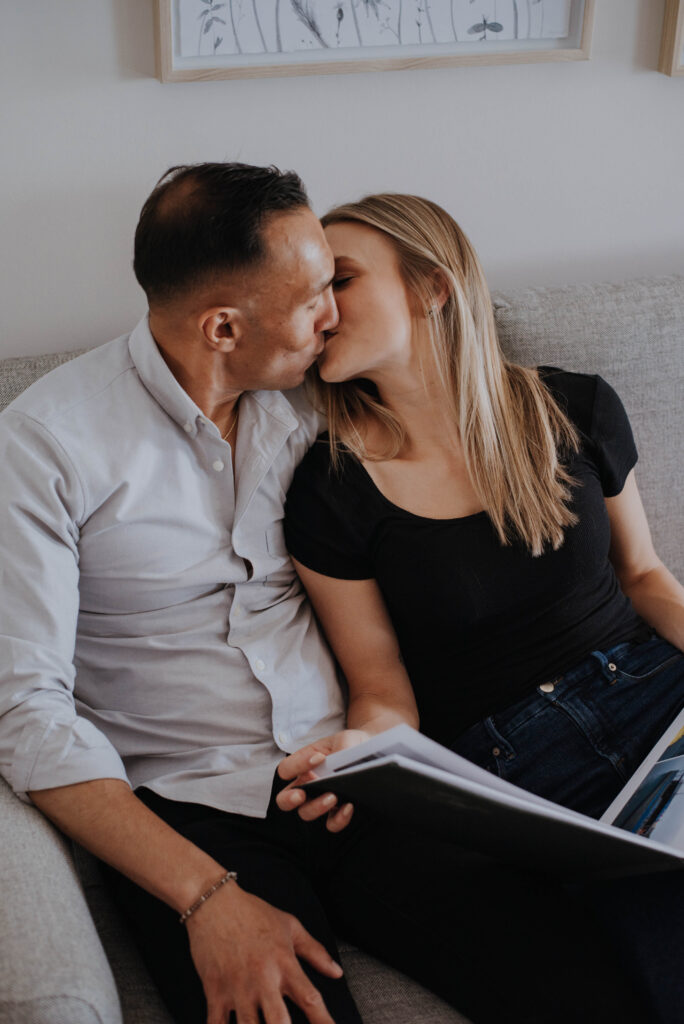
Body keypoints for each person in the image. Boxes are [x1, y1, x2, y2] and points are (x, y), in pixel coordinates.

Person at [0, 166, 663, 1024]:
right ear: (225, 326)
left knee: (597, 995)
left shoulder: (316, 404)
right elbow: (26, 715)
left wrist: (372, 752)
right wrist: (208, 899)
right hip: (194, 809)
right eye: (315, 292)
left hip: (357, 779)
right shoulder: (45, 447)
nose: (332, 313)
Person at [277, 192, 684, 1022]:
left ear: (432, 285)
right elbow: (383, 685)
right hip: (524, 775)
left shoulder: (574, 407)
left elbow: (644, 576)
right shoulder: (330, 491)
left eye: (341, 280)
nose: (316, 312)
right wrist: (360, 750)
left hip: (656, 698)